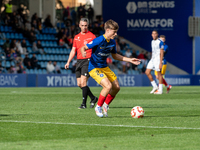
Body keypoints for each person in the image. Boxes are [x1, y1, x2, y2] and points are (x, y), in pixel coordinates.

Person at [80, 19, 140, 117]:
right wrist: (83, 52)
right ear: (107, 30)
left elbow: (115, 56)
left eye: (116, 32)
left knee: (116, 87)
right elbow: (84, 47)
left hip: (104, 67)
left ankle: (105, 105)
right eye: (114, 31)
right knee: (107, 86)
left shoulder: (112, 42)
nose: (116, 34)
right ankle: (98, 107)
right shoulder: (99, 40)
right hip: (94, 67)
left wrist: (129, 60)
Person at [65, 18, 98, 109]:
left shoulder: (92, 36)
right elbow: (73, 50)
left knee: (83, 82)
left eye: (86, 25)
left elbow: (96, 49)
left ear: (88, 25)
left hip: (88, 60)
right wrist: (68, 62)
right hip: (79, 61)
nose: (84, 27)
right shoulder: (76, 37)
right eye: (82, 25)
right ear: (79, 25)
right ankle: (93, 98)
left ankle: (83, 104)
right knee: (79, 84)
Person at [145, 30, 164, 94]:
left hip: (158, 59)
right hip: (152, 59)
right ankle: (155, 86)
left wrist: (161, 62)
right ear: (151, 35)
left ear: (157, 34)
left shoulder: (160, 42)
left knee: (159, 74)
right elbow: (153, 51)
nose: (154, 35)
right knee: (147, 72)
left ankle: (160, 90)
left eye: (155, 34)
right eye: (153, 34)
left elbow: (162, 52)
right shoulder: (152, 41)